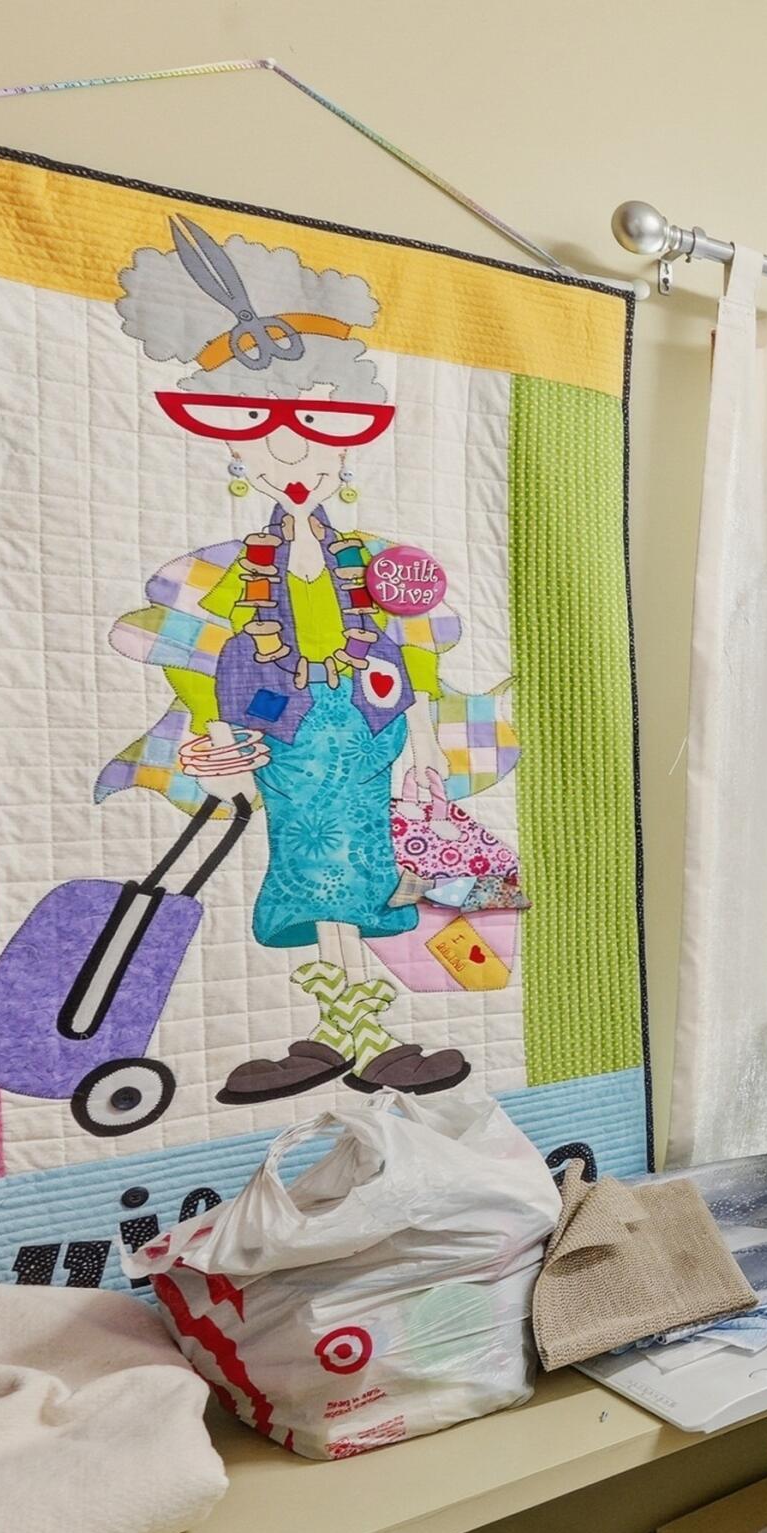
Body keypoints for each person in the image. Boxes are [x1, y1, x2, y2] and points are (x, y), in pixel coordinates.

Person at [98, 216, 508, 1102]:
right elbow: (190, 652)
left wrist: (428, 738)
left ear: (343, 447)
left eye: (316, 436)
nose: (294, 455)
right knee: (308, 874)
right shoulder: (226, 566)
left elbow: (411, 647)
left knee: (363, 871)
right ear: (238, 448)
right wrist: (217, 738)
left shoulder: (370, 558)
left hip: (364, 729)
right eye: (267, 435)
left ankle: (357, 1039)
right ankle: (348, 1038)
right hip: (283, 734)